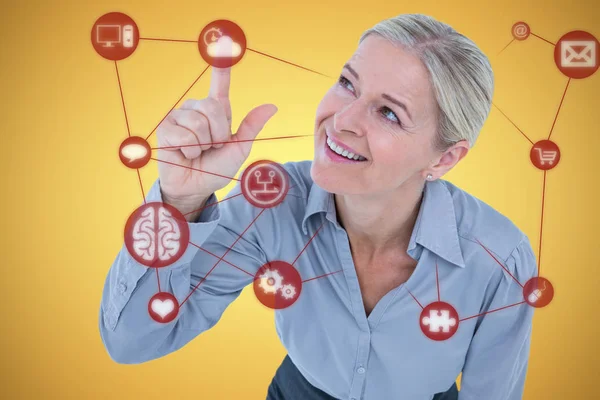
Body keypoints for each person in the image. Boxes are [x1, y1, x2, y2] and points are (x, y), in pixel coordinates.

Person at [99, 13, 537, 400]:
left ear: (443, 159)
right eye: (348, 84)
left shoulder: (498, 260)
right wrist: (180, 201)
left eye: (389, 113)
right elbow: (131, 341)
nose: (342, 120)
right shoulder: (271, 203)